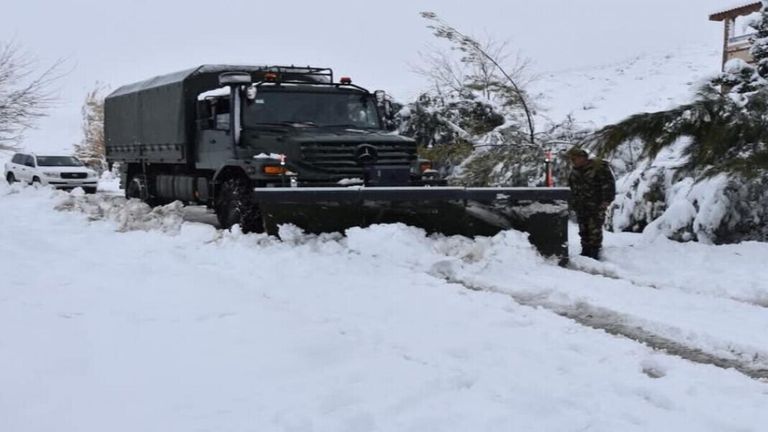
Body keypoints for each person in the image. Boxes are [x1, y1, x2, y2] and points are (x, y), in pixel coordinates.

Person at [566, 147, 616, 259]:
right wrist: (572, 203)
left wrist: (606, 200)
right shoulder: (575, 171)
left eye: (574, 159)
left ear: (582, 158)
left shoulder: (599, 168)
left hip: (596, 204)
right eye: (571, 159)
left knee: (594, 229)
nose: (572, 161)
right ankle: (585, 251)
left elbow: (608, 184)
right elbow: (571, 188)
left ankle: (594, 252)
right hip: (581, 205)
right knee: (583, 229)